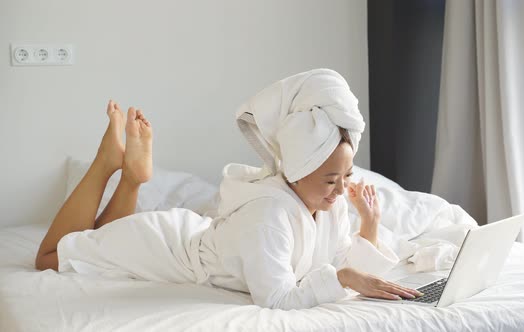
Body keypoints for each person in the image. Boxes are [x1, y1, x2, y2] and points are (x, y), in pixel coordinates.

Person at [35, 69, 422, 310]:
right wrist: (343, 278)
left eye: (346, 176)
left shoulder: (329, 203)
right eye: (330, 180)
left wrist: (368, 224)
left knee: (95, 239)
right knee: (50, 257)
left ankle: (131, 177)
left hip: (193, 240)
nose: (340, 191)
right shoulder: (269, 214)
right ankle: (107, 163)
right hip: (166, 248)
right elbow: (277, 299)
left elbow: (339, 263)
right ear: (298, 171)